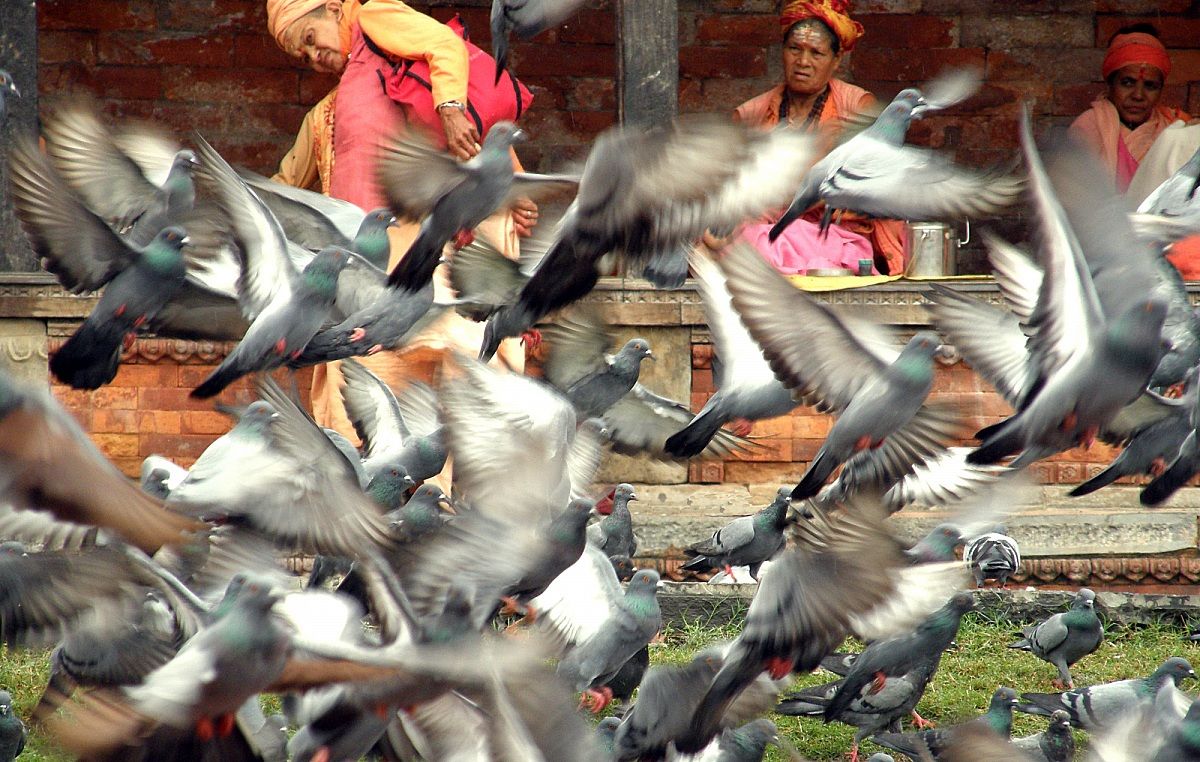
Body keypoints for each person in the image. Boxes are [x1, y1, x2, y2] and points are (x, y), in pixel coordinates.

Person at [265, 0, 535, 472]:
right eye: (302, 57)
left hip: (438, 268)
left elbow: (445, 53)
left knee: (466, 395)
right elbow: (284, 189)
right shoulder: (326, 117)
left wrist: (510, 189)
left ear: (332, 10)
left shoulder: (380, 28)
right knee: (371, 403)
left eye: (311, 40)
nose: (314, 58)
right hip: (375, 280)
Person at [726, 0, 908, 276]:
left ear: (836, 61)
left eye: (816, 53)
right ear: (782, 52)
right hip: (766, 233)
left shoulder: (859, 107)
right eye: (795, 49)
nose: (803, 62)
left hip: (840, 239)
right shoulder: (752, 115)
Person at [1069, 23, 1200, 278]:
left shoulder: (1176, 127)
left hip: (1164, 244)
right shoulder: (1090, 127)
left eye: (1150, 86)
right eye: (1127, 83)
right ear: (1110, 83)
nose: (1138, 95)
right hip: (1107, 244)